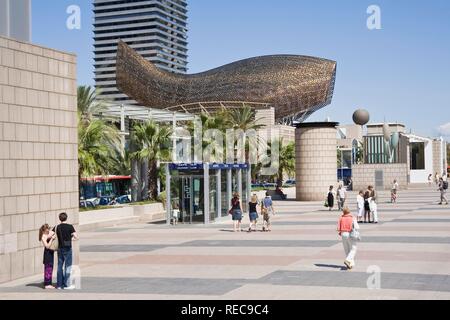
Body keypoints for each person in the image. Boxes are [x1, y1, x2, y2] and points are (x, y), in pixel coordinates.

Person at [53, 212, 78, 290]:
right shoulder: (70, 227)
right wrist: (71, 238)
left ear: (59, 218)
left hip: (59, 248)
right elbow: (76, 236)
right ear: (66, 218)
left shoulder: (56, 227)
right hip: (68, 248)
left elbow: (51, 235)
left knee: (60, 266)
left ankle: (59, 285)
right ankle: (67, 284)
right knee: (68, 266)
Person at [39, 224, 56, 289]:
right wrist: (51, 238)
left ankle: (49, 283)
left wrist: (52, 234)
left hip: (51, 252)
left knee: (50, 267)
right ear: (43, 231)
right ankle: (47, 284)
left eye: (48, 229)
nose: (48, 231)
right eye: (47, 230)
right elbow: (47, 246)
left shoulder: (49, 233)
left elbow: (54, 233)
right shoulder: (43, 236)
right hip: (47, 253)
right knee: (48, 268)